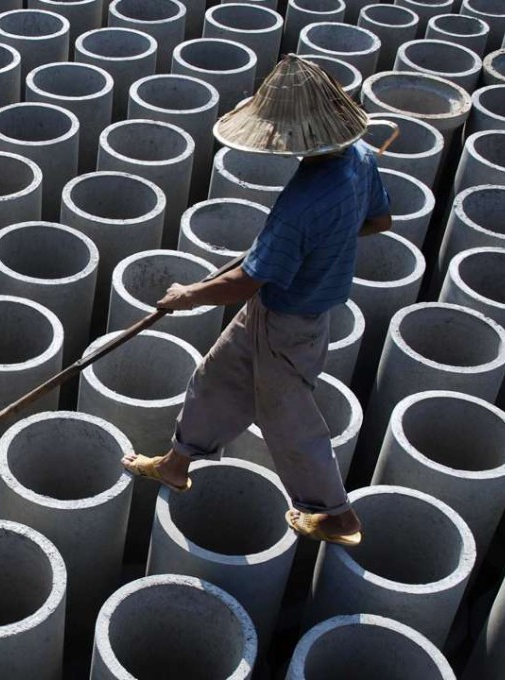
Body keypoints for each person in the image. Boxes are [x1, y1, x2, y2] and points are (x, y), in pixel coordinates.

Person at [121, 55, 393, 546]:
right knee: (217, 374)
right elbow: (378, 222)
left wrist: (188, 295)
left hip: (291, 322)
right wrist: (329, 244)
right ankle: (177, 463)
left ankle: (335, 513)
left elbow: (247, 280)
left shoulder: (304, 202)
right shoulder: (361, 158)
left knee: (287, 417)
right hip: (277, 310)